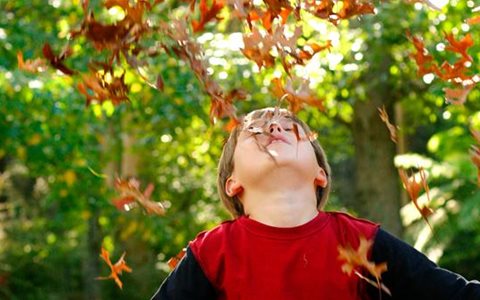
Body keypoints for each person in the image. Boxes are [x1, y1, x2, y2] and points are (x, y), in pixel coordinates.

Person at [151, 107, 480, 300]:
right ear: (233, 182)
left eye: (290, 127)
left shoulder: (361, 242)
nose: (275, 127)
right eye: (255, 130)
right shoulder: (213, 252)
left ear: (320, 173)